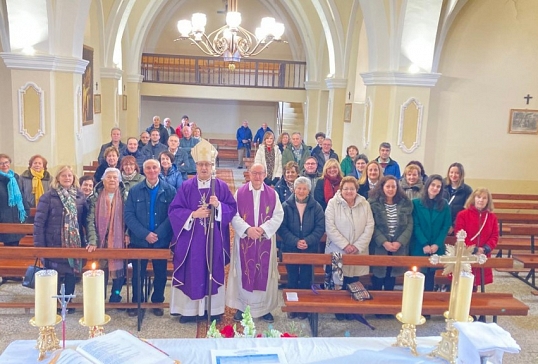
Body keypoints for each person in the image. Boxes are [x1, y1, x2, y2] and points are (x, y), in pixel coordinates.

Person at [169, 139, 236, 323]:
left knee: (212, 268)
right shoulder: (186, 186)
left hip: (214, 239)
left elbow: (232, 208)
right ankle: (189, 311)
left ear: (212, 166)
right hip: (192, 239)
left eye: (207, 164)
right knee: (193, 270)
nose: (204, 168)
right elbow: (174, 211)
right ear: (196, 166)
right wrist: (193, 214)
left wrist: (219, 206)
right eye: (201, 164)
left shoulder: (220, 186)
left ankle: (213, 310)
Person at [227, 163, 284, 323]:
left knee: (264, 272)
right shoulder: (241, 192)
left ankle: (264, 309)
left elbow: (278, 215)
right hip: (245, 239)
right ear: (249, 174)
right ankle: (241, 307)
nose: (257, 176)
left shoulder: (273, 194)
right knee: (244, 270)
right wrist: (247, 230)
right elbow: (234, 214)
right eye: (254, 173)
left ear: (265, 174)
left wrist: (264, 229)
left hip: (265, 240)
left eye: (260, 173)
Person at [33, 165, 91, 308]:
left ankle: (68, 300)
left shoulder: (79, 197)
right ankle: (55, 302)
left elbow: (85, 220)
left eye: (69, 176)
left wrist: (89, 239)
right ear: (58, 178)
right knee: (55, 273)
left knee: (71, 271)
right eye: (63, 175)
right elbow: (39, 223)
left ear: (74, 178)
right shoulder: (48, 197)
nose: (67, 178)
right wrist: (39, 246)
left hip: (74, 242)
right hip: (54, 241)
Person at [124, 159, 176, 317]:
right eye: (148, 168)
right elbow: (129, 215)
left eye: (155, 167)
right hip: (139, 240)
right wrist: (144, 234)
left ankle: (157, 301)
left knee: (160, 273)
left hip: (161, 240)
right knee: (138, 273)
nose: (152, 170)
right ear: (143, 171)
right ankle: (137, 302)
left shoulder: (170, 190)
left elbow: (172, 215)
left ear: (159, 170)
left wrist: (158, 234)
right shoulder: (135, 190)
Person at [325, 176, 374, 320]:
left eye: (352, 188)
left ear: (356, 190)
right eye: (345, 188)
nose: (349, 191)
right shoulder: (333, 204)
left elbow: (369, 226)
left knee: (353, 280)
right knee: (339, 280)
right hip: (338, 250)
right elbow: (330, 227)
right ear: (341, 189)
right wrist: (345, 245)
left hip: (358, 251)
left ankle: (352, 310)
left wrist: (357, 246)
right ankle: (339, 310)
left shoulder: (364, 204)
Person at [278, 176, 325, 320]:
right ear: (294, 189)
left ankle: (304, 307)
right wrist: (295, 241)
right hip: (291, 248)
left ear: (309, 190)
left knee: (306, 278)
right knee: (292, 279)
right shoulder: (286, 206)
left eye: (304, 188)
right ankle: (293, 307)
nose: (301, 191)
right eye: (299, 188)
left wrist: (307, 241)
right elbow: (282, 228)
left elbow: (320, 227)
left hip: (309, 248)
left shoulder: (316, 207)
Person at [86, 168, 128, 303]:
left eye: (115, 178)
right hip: (100, 238)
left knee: (119, 269)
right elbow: (90, 220)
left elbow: (130, 218)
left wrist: (128, 234)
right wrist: (93, 240)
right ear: (103, 180)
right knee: (101, 269)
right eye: (109, 177)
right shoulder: (94, 198)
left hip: (119, 240)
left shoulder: (125, 196)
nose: (112, 180)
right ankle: (99, 296)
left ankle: (115, 295)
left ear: (119, 181)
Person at [368, 176, 413, 293]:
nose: (390, 189)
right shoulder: (373, 203)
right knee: (378, 277)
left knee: (391, 276)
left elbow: (409, 225)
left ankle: (388, 306)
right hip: (380, 246)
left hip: (398, 246)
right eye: (387, 186)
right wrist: (384, 242)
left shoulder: (405, 203)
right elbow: (372, 225)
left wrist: (399, 242)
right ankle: (376, 306)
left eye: (393, 186)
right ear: (382, 187)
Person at [411, 175, 451, 291]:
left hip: (436, 246)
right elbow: (415, 225)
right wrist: (424, 243)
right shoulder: (416, 203)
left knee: (430, 276)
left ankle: (427, 300)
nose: (435, 188)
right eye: (433, 185)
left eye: (438, 186)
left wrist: (436, 244)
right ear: (427, 185)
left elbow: (445, 226)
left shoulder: (444, 204)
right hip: (420, 245)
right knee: (417, 275)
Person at [454, 188, 499, 288]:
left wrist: (485, 249)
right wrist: (473, 249)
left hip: (483, 254)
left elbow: (494, 236)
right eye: (478, 197)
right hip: (466, 253)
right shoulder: (463, 215)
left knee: (475, 284)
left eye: (484, 198)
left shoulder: (492, 217)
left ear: (488, 201)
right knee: (462, 283)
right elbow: (459, 234)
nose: (481, 200)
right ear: (473, 198)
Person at [0, 154, 28, 247]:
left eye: (6, 162)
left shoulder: (14, 178)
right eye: (1, 163)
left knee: (15, 246)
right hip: (3, 219)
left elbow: (21, 197)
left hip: (16, 217)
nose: (4, 165)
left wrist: (25, 211)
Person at [443, 162, 473, 233]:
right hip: (441, 224)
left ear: (461, 174)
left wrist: (453, 226)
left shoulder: (467, 190)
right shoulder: (442, 187)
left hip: (458, 226)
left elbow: (466, 211)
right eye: (451, 172)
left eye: (457, 173)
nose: (453, 175)